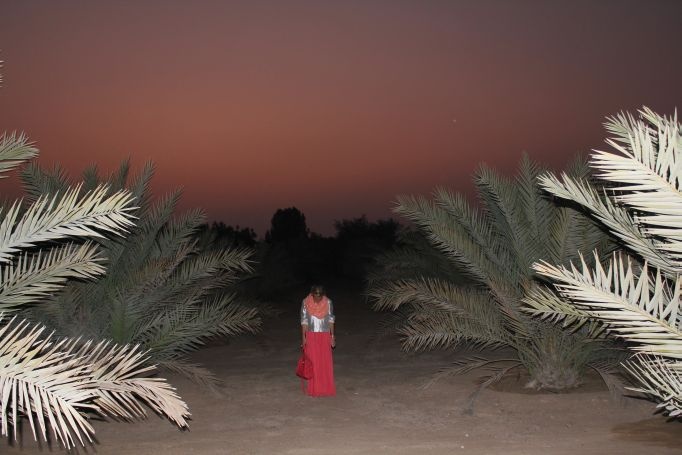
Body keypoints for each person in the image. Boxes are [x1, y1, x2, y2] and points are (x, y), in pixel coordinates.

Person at [300, 284, 336, 396]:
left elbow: (331, 320)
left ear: (323, 295)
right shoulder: (305, 302)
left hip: (324, 335)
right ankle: (315, 388)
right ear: (312, 294)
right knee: (314, 362)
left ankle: (326, 388)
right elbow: (304, 322)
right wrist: (304, 338)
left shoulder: (328, 302)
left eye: (320, 297)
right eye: (316, 297)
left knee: (325, 362)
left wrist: (332, 337)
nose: (317, 300)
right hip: (311, 335)